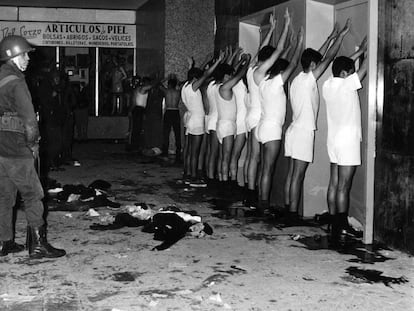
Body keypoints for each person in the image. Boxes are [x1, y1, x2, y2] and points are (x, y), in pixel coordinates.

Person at [0, 35, 66, 258]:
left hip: (1, 147)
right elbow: (29, 120)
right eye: (24, 54)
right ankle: (37, 245)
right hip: (18, 147)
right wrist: (33, 144)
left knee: (4, 196)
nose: (28, 58)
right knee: (33, 194)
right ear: (13, 56)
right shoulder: (17, 82)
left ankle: (4, 242)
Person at [283, 20, 351, 224]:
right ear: (312, 66)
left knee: (292, 173)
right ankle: (293, 215)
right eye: (316, 65)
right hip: (303, 131)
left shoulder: (296, 79)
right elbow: (328, 57)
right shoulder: (309, 79)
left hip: (293, 130)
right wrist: (340, 37)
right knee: (298, 176)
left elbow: (318, 57)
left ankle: (289, 209)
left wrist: (330, 37)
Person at [322, 37, 367, 245]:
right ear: (345, 74)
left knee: (334, 183)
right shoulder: (347, 85)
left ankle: (333, 221)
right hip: (348, 140)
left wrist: (360, 50)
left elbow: (345, 66)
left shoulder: (328, 85)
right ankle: (341, 226)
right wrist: (371, 50)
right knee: (344, 186)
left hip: (333, 140)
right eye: (350, 72)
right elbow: (364, 70)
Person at [245, 10, 290, 211]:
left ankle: (249, 190)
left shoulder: (251, 69)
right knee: (256, 158)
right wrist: (286, 25)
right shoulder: (263, 73)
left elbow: (261, 50)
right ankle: (255, 195)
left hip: (250, 115)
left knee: (252, 157)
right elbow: (276, 51)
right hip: (259, 116)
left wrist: (271, 29)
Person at [255, 28, 304, 215]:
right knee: (268, 168)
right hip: (271, 128)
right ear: (280, 71)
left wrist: (289, 47)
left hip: (262, 126)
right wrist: (299, 43)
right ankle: (264, 204)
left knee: (263, 167)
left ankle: (262, 199)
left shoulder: (263, 81)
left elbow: (286, 64)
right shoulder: (276, 83)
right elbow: (293, 64)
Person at [181, 53, 222, 187]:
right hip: (197, 120)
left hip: (190, 119)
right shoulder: (193, 87)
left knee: (190, 150)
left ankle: (187, 175)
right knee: (195, 152)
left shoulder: (186, 86)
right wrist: (218, 61)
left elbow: (197, 73)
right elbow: (205, 74)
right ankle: (194, 178)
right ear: (195, 78)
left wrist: (192, 65)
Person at [216, 54, 251, 192]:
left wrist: (241, 61)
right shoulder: (226, 87)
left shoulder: (221, 86)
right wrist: (246, 62)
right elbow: (237, 75)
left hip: (223, 124)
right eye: (228, 75)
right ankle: (227, 184)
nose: (230, 77)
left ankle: (224, 181)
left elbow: (233, 73)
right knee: (228, 156)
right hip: (228, 125)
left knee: (224, 156)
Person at [160, 76, 182, 162]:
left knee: (166, 132)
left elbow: (159, 84)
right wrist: (177, 79)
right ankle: (178, 151)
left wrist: (166, 77)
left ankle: (165, 151)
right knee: (177, 133)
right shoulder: (178, 92)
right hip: (175, 112)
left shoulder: (166, 91)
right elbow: (182, 84)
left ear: (169, 85)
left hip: (169, 112)